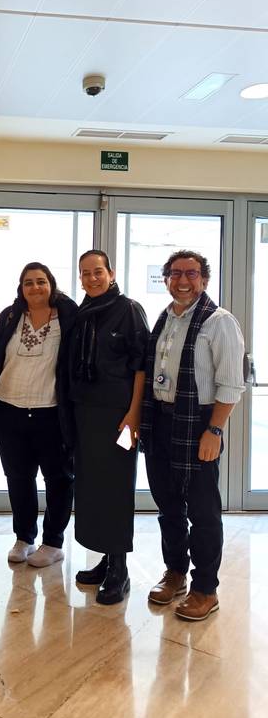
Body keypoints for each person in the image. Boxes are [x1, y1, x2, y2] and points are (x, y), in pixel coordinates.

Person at [140, 250, 245, 620]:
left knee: (203, 512)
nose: (183, 280)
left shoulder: (220, 322)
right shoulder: (164, 319)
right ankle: (175, 574)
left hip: (199, 423)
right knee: (168, 507)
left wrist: (214, 429)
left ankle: (205, 589)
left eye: (192, 273)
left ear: (204, 279)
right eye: (176, 273)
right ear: (166, 278)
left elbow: (231, 384)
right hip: (161, 422)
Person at [0, 262, 77, 567]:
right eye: (28, 282)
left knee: (58, 479)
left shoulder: (68, 316)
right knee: (19, 477)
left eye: (41, 282)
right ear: (21, 288)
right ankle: (24, 538)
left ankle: (53, 542)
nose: (35, 288)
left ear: (52, 285)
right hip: (9, 409)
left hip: (52, 413)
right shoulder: (10, 316)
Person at [69, 250, 149, 604]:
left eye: (97, 271)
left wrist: (134, 415)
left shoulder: (129, 310)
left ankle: (120, 570)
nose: (91, 278)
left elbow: (141, 366)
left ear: (111, 273)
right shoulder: (81, 313)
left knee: (116, 489)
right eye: (85, 273)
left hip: (118, 415)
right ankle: (104, 559)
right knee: (91, 488)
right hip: (85, 414)